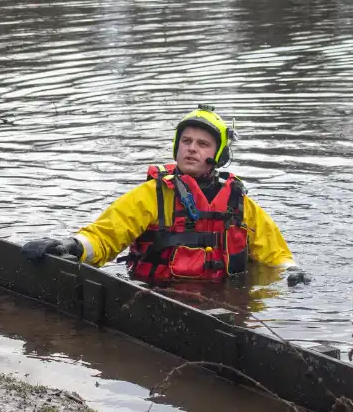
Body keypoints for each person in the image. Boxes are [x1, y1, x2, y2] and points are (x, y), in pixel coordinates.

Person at [22, 105, 310, 287]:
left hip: (223, 299)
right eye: (186, 141)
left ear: (218, 155)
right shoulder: (152, 195)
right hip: (158, 295)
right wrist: (70, 245)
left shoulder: (239, 203)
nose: (191, 149)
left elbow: (275, 254)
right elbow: (105, 235)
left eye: (202, 144)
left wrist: (292, 272)